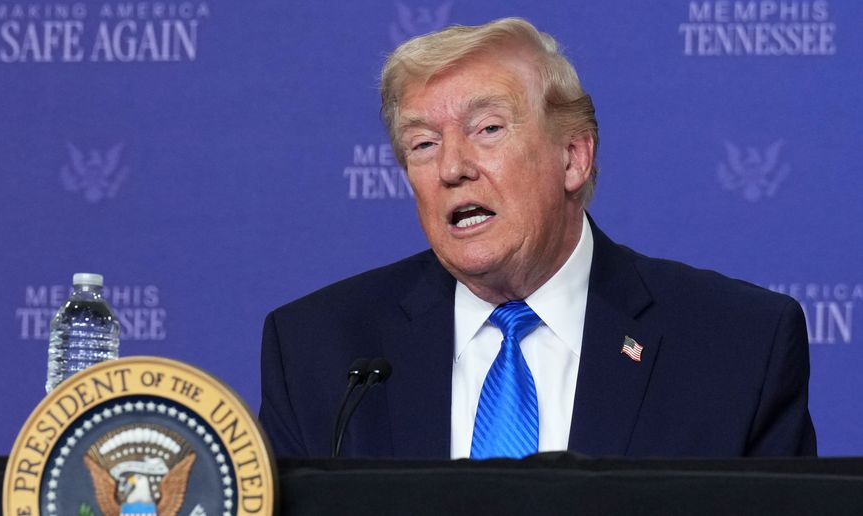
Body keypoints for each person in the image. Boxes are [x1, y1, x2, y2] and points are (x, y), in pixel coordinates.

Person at [259, 18, 816, 459]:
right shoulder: (321, 350)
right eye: (423, 144)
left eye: (488, 129)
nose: (452, 167)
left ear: (573, 157)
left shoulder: (736, 347)